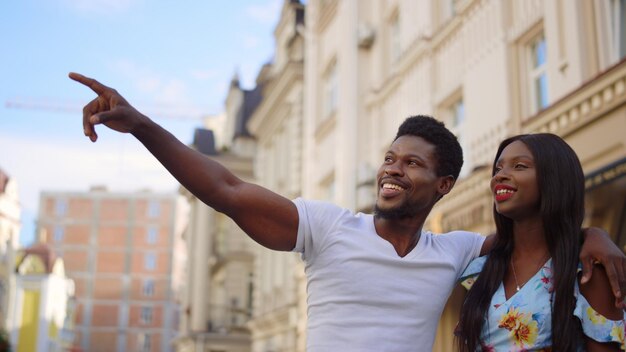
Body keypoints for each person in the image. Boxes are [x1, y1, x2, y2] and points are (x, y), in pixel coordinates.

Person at [68, 72, 626, 351]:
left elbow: (534, 238)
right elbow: (226, 189)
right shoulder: (328, 227)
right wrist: (140, 125)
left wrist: (591, 234)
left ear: (444, 185)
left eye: (411, 163)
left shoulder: (456, 252)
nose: (391, 169)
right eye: (389, 158)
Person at [456, 134, 626, 351]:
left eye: (519, 166)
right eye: (498, 169)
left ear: (554, 178)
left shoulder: (585, 271)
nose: (500, 176)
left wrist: (594, 234)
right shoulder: (483, 269)